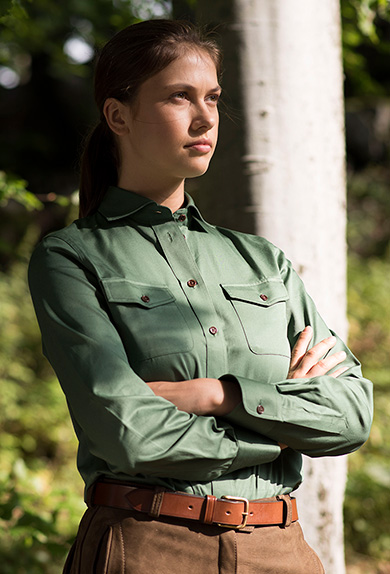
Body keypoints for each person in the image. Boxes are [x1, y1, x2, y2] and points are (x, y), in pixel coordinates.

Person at [28, 19, 373, 574]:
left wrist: (220, 395)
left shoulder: (265, 261)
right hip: (148, 546)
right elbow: (127, 431)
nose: (206, 116)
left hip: (281, 551)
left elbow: (351, 414)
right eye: (178, 97)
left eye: (212, 97)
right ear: (118, 116)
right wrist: (283, 429)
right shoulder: (71, 258)